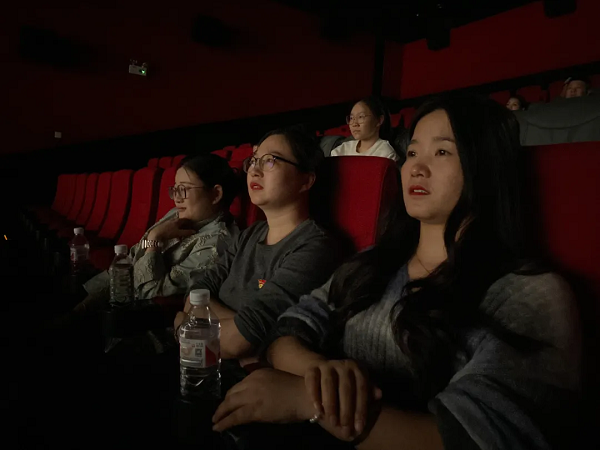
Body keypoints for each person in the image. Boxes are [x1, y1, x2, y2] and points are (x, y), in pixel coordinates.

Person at [210, 96, 581, 450]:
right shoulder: (374, 262)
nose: (416, 167)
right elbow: (288, 330)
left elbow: (478, 439)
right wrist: (325, 377)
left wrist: (309, 402)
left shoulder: (533, 294)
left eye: (442, 152)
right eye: (413, 152)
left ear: (486, 167)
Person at [175, 127, 343, 360]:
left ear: (306, 180)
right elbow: (196, 292)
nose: (254, 170)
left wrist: (184, 325)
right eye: (253, 160)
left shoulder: (315, 247)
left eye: (270, 161)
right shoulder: (250, 234)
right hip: (204, 356)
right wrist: (234, 325)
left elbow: (239, 341)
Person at [75, 154, 240, 312]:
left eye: (184, 189)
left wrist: (155, 238)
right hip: (119, 296)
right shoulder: (176, 215)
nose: (176, 198)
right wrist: (89, 297)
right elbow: (136, 254)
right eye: (175, 189)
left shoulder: (217, 243)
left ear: (216, 194)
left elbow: (150, 293)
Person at [330, 97, 399, 161]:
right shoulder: (342, 150)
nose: (354, 124)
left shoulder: (385, 154)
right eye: (351, 118)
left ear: (379, 120)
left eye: (361, 117)